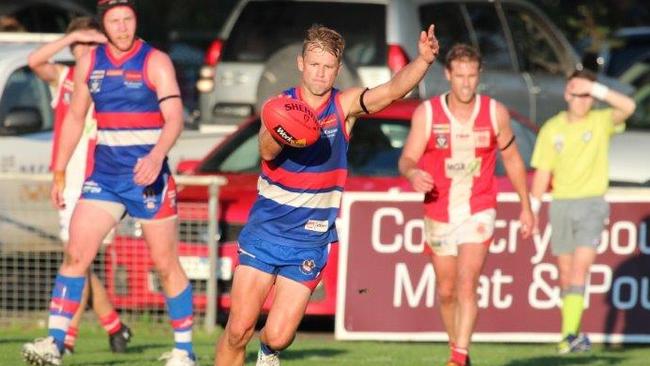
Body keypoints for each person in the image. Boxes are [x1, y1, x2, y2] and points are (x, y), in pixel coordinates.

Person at [214, 24, 439, 366]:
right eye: (315, 64)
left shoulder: (343, 107)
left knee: (278, 335)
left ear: (337, 69)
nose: (321, 73)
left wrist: (422, 62)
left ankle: (268, 353)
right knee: (238, 330)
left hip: (310, 239)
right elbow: (266, 151)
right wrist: (286, 131)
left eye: (328, 66)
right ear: (302, 63)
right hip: (266, 231)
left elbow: (392, 90)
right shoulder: (280, 106)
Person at [21, 1, 196, 365]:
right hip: (104, 179)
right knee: (76, 255)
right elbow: (73, 119)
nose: (122, 27)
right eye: (114, 21)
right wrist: (58, 171)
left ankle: (185, 350)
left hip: (148, 180)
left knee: (165, 264)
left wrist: (155, 156)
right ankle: (54, 344)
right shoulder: (90, 62)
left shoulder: (155, 61)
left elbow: (175, 118)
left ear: (135, 20)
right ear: (104, 24)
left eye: (127, 19)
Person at [398, 44, 534, 366]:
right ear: (447, 75)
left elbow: (513, 160)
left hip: (480, 206)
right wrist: (413, 172)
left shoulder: (494, 113)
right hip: (439, 209)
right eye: (459, 76)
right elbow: (406, 158)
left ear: (479, 76)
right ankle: (458, 351)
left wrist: (526, 206)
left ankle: (457, 358)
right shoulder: (428, 113)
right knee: (446, 291)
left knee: (466, 281)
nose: (465, 83)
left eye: (471, 76)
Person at [27, 16, 133, 356]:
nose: (85, 49)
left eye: (92, 43)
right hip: (70, 183)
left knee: (78, 261)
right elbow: (34, 61)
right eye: (80, 44)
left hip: (102, 181)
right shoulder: (65, 77)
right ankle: (112, 328)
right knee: (78, 261)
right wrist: (70, 37)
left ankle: (64, 339)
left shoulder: (110, 77)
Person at [529, 69, 635, 354]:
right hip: (561, 204)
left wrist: (596, 88)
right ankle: (573, 333)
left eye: (587, 95)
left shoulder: (601, 121)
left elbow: (628, 107)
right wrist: (533, 210)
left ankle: (567, 336)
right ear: (567, 94)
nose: (581, 101)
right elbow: (542, 173)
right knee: (565, 273)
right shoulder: (553, 128)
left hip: (591, 203)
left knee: (579, 269)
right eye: (576, 94)